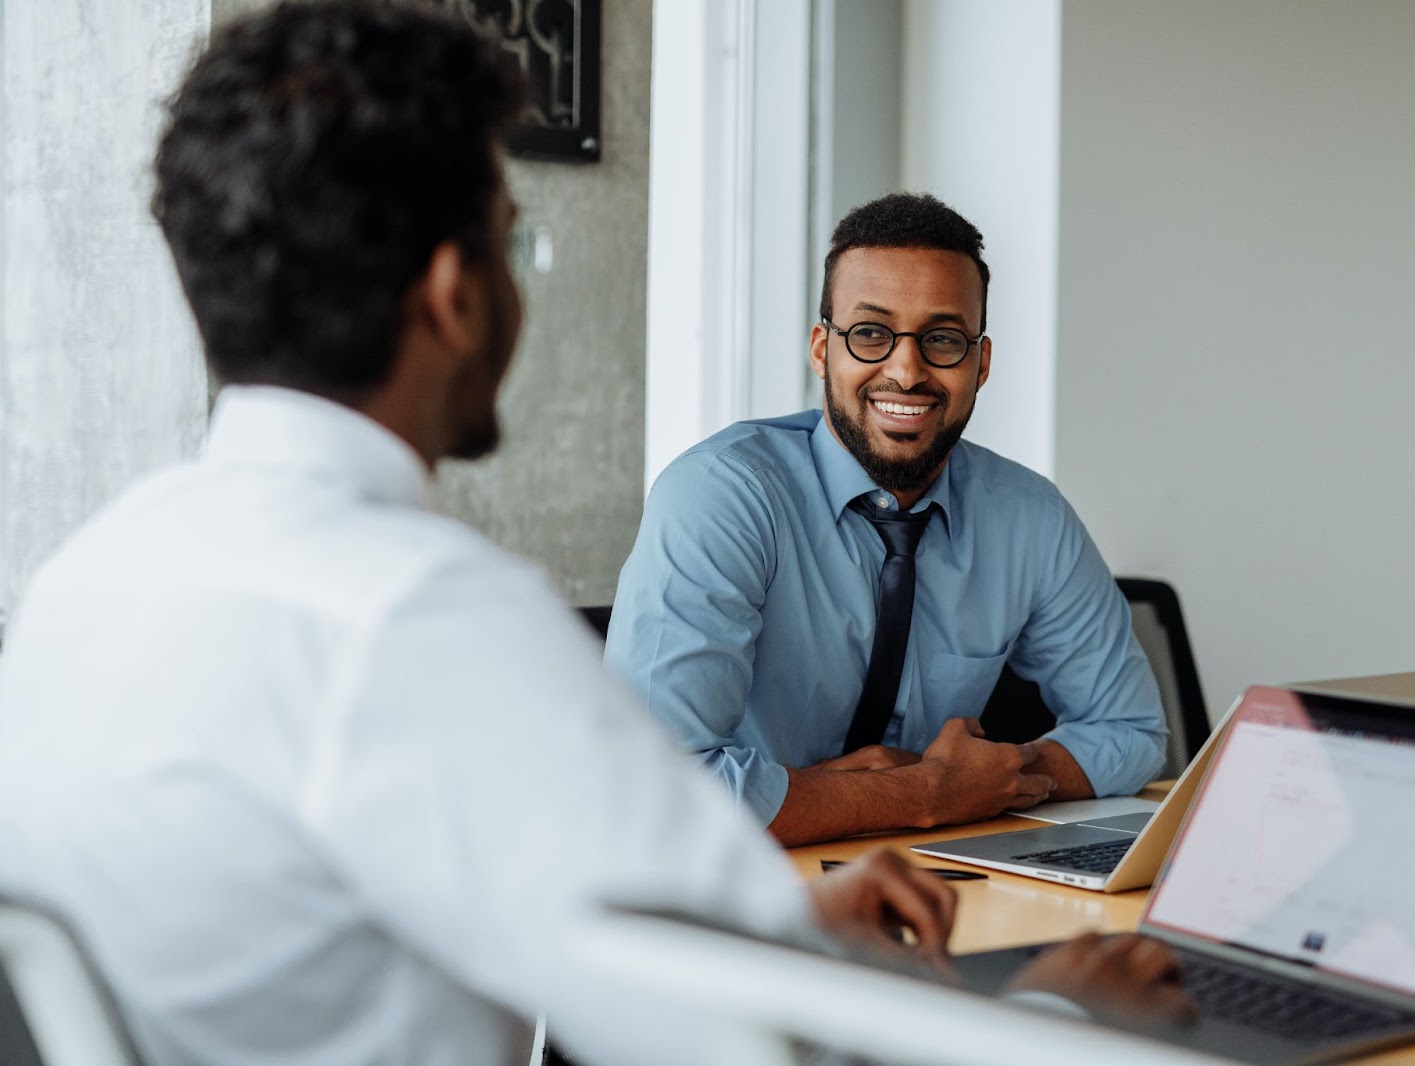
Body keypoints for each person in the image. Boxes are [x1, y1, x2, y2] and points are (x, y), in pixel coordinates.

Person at [0, 5, 966, 1063]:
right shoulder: (418, 614)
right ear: (456, 296)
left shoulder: (85, 579)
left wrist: (777, 935)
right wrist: (1055, 1014)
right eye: (514, 238)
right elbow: (750, 1044)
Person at [607, 193, 1168, 846]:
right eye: (871, 333)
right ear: (823, 349)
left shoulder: (1029, 517)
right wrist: (922, 793)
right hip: (746, 889)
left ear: (980, 363)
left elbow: (1132, 730)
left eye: (943, 340)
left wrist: (994, 777)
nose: (906, 371)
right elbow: (652, 791)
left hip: (946, 884)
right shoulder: (722, 496)